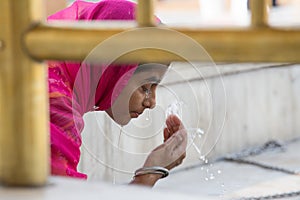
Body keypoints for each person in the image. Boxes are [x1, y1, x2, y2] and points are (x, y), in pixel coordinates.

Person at [48, 0, 187, 187]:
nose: (152, 102)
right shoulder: (54, 105)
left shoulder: (48, 73)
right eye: (145, 87)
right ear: (110, 70)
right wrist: (152, 170)